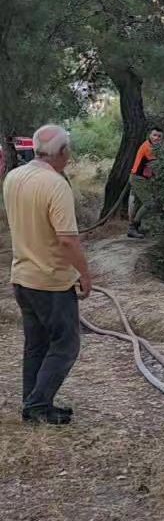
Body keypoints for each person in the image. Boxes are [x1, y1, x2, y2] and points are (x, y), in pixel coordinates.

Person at [2, 125, 92, 425]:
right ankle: (38, 404)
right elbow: (67, 239)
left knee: (36, 344)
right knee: (66, 345)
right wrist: (85, 273)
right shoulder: (56, 185)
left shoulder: (13, 177)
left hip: (22, 276)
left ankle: (33, 402)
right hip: (50, 281)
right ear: (63, 152)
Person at [128, 126, 163, 238]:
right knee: (149, 203)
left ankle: (134, 229)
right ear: (149, 135)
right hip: (138, 178)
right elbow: (156, 165)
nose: (157, 138)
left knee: (138, 204)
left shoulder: (154, 147)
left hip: (143, 178)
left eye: (159, 136)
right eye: (154, 135)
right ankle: (133, 227)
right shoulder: (148, 147)